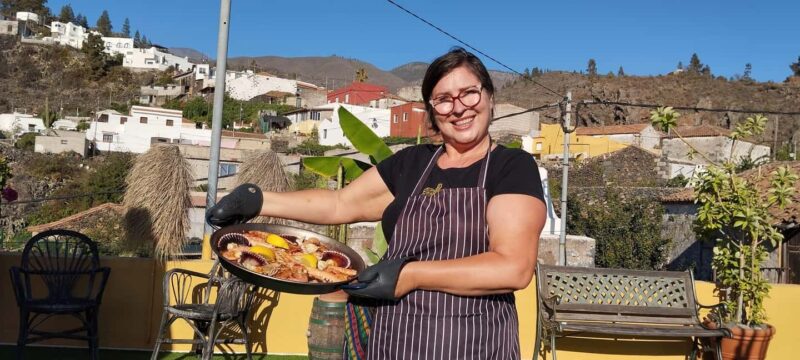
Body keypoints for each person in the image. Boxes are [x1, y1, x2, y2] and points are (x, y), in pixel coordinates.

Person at [208, 47, 546, 359]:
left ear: (489, 97)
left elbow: (512, 267)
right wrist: (259, 201)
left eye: (469, 93)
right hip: (394, 340)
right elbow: (338, 205)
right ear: (431, 110)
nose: (458, 108)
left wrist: (410, 275)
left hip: (473, 344)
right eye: (443, 99)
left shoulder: (511, 167)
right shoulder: (412, 164)